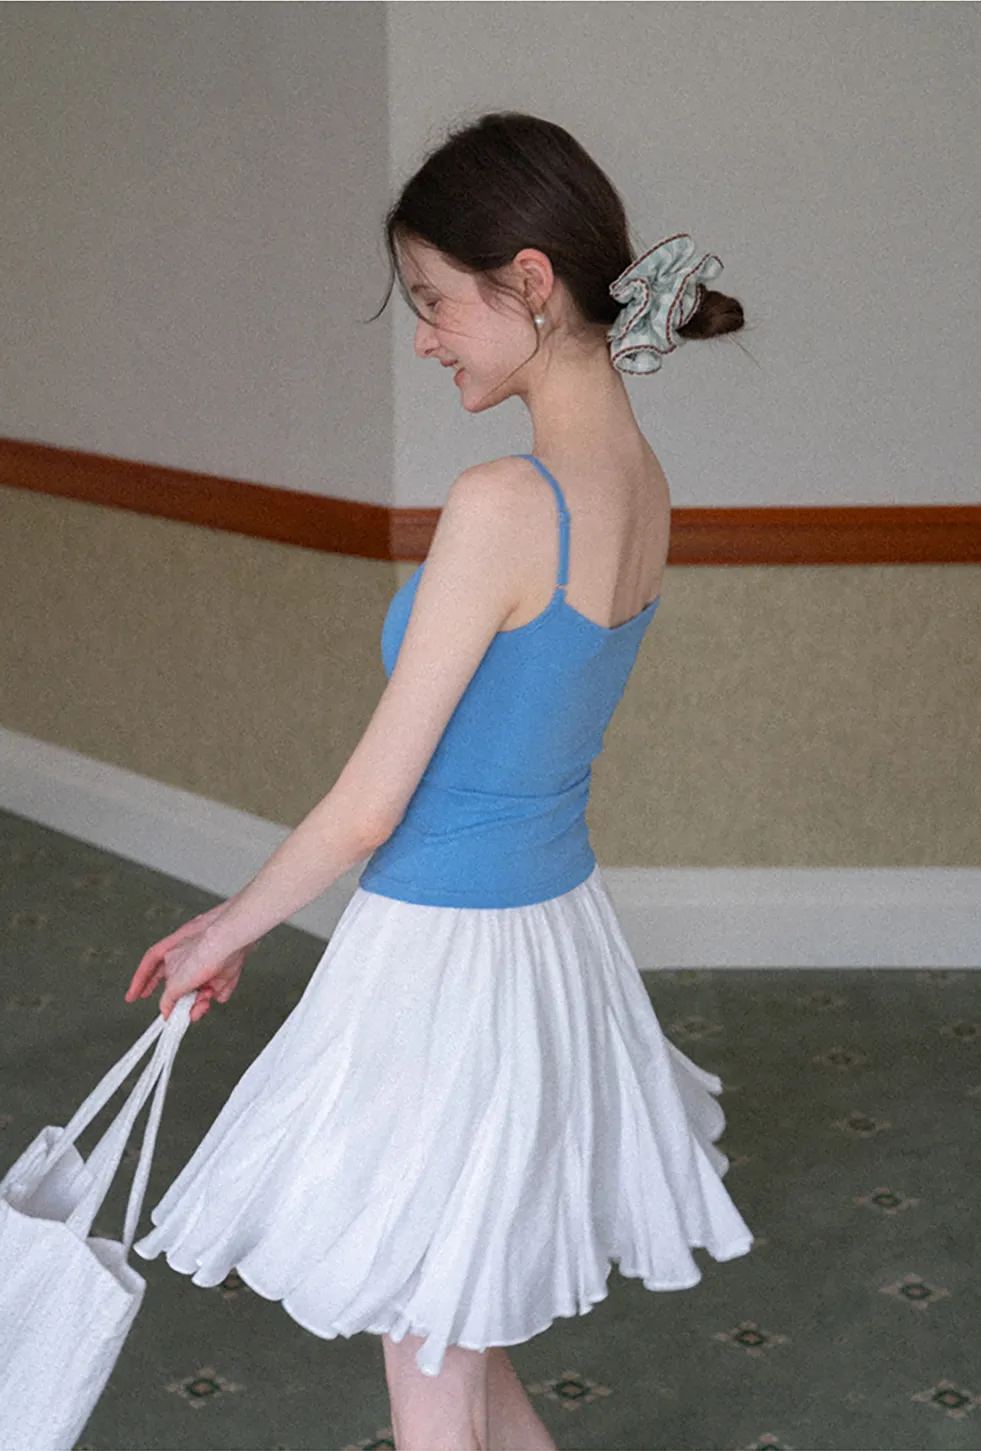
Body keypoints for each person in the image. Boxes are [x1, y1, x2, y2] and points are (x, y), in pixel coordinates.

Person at [124, 110, 755, 1451]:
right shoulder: (642, 481)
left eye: (432, 301)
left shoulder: (503, 506)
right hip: (547, 939)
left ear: (528, 281)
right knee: (461, 1335)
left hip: (444, 956)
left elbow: (370, 804)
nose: (422, 335)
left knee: (429, 1360)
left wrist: (221, 927)